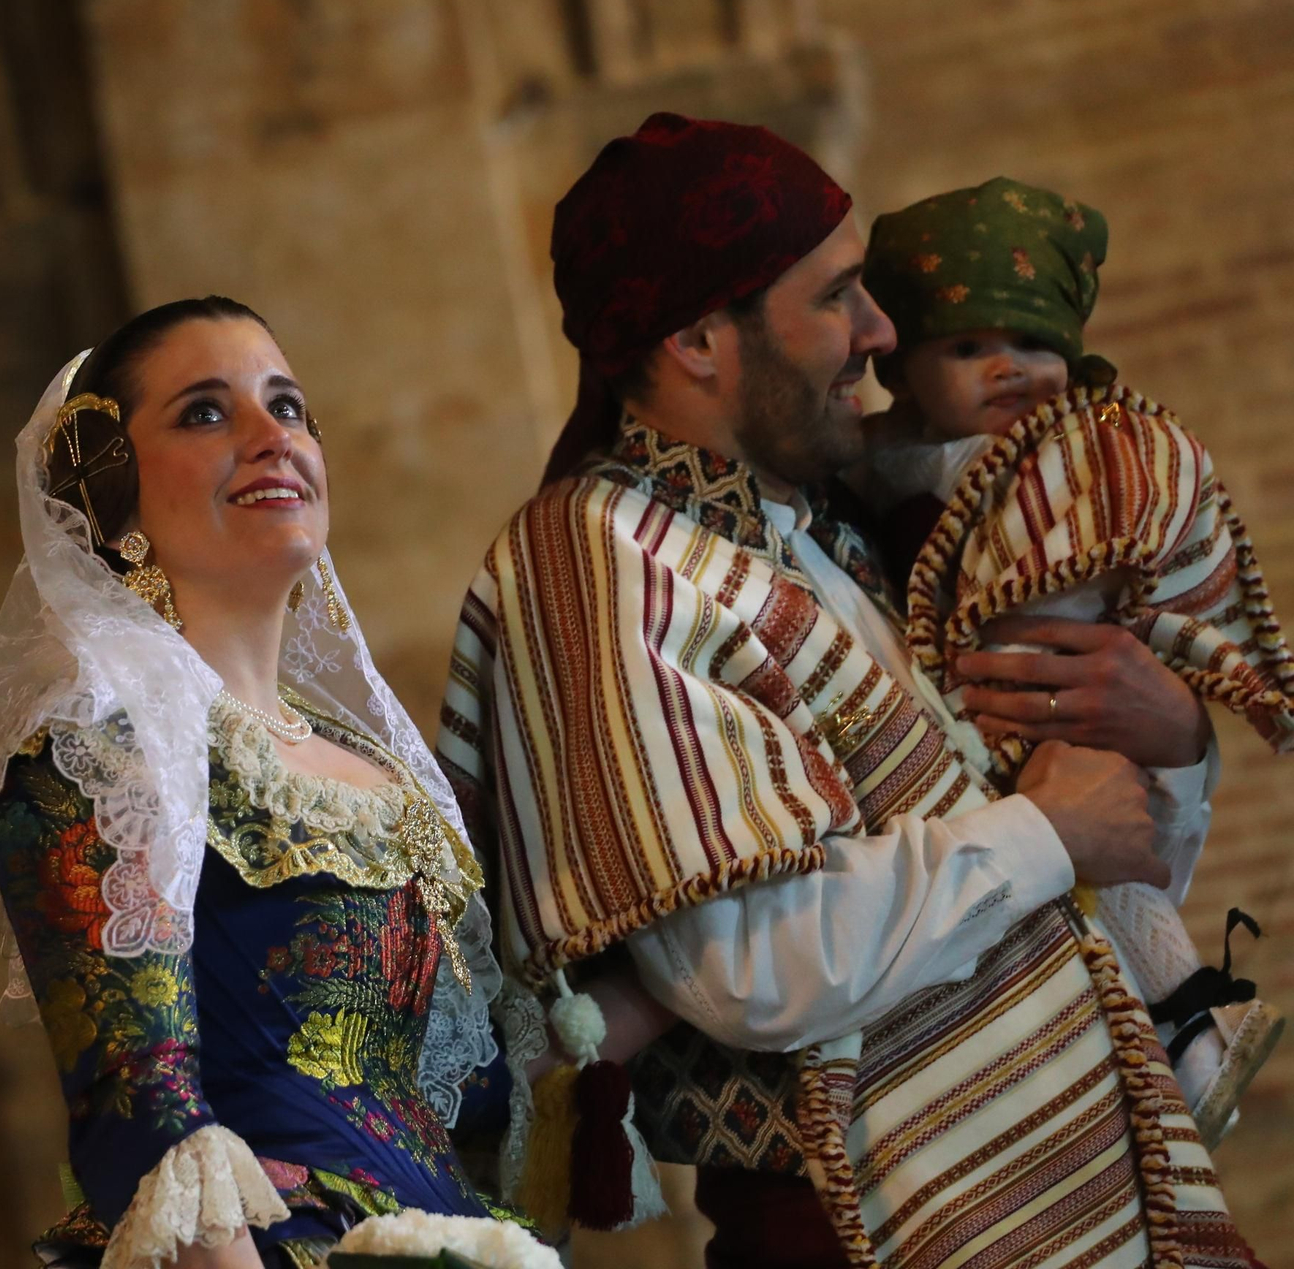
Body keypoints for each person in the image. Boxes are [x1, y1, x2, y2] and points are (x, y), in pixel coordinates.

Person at [438, 114, 1261, 1266]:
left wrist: (1167, 742)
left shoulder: (848, 514)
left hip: (1090, 1174)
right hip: (868, 1225)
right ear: (694, 339)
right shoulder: (600, 553)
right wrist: (1043, 833)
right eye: (834, 297)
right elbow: (743, 964)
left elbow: (1103, 871)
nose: (880, 330)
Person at [0, 297, 549, 1269]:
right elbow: (137, 1101)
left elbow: (467, 1099)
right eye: (204, 411)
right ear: (113, 488)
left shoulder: (373, 774)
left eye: (287, 405)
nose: (270, 435)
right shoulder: (95, 747)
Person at [856, 176, 1289, 1147]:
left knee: (1121, 885)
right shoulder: (880, 477)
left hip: (1067, 728)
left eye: (1032, 344)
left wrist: (1178, 725)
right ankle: (1180, 1038)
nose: (1008, 368)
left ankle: (1190, 1043)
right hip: (972, 816)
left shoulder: (1082, 455)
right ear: (905, 370)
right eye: (968, 348)